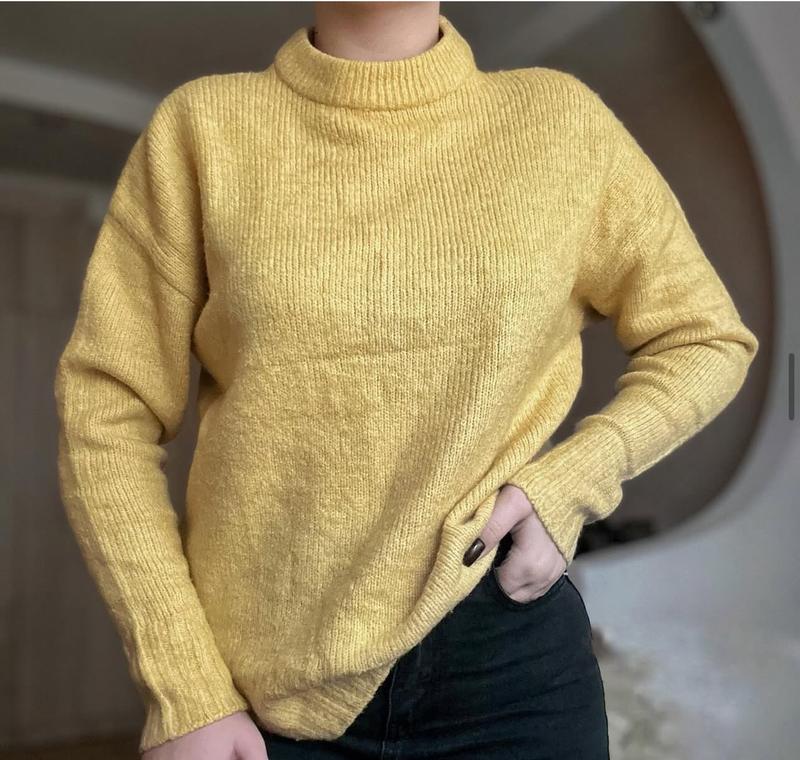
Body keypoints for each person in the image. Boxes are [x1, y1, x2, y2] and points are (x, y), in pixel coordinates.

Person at [53, 2, 759, 759]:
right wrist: (184, 688)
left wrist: (573, 480)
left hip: (509, 666)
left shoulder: (561, 124)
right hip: (264, 692)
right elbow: (105, 410)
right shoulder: (201, 129)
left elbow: (704, 338)